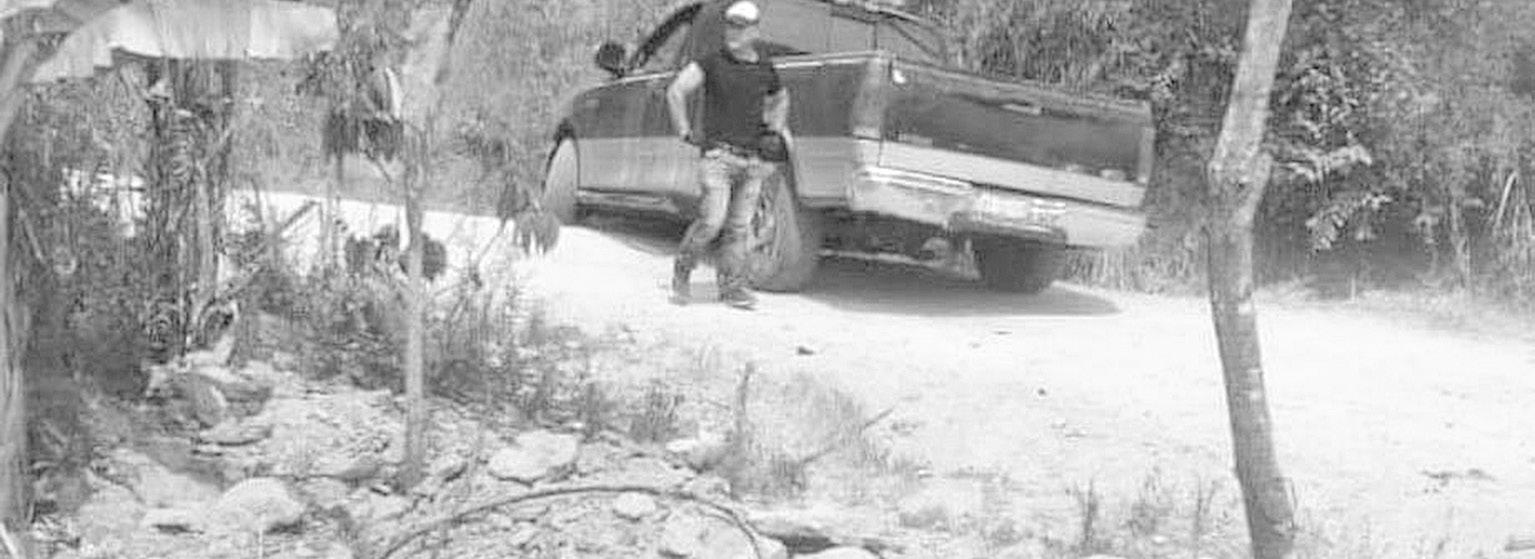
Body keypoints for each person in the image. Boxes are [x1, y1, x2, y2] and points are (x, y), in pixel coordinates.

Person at [665, 0, 791, 310]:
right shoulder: (712, 62)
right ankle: (682, 272)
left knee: (738, 229)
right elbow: (676, 91)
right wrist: (684, 131)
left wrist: (774, 132)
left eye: (741, 28)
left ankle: (732, 288)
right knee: (711, 222)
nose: (733, 33)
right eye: (730, 26)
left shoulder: (765, 67)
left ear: (755, 32)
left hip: (752, 161)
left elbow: (781, 97)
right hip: (718, 158)